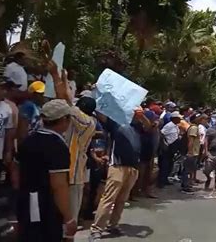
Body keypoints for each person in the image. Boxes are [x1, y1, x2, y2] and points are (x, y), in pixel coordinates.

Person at [16, 99, 76, 242]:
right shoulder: (57, 146)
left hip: (25, 201)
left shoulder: (28, 140)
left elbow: (16, 171)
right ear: (64, 119)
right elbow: (59, 185)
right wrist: (69, 218)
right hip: (46, 207)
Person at [89, 108, 150, 241]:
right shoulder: (115, 123)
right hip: (117, 165)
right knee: (108, 198)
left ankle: (113, 225)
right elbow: (101, 114)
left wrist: (142, 116)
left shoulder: (137, 126)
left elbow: (149, 127)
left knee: (122, 199)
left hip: (133, 167)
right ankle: (97, 229)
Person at [48, 60, 96, 223]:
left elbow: (66, 102)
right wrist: (62, 80)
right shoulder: (73, 121)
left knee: (69, 219)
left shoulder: (86, 121)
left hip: (73, 175)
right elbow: (63, 101)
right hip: (64, 173)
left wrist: (56, 76)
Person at [157, 111, 182, 188]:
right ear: (174, 118)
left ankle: (165, 179)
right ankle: (161, 182)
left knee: (170, 164)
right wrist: (165, 143)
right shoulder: (169, 126)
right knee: (165, 165)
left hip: (173, 147)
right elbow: (161, 133)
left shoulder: (176, 126)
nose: (180, 119)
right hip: (168, 147)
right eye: (178, 118)